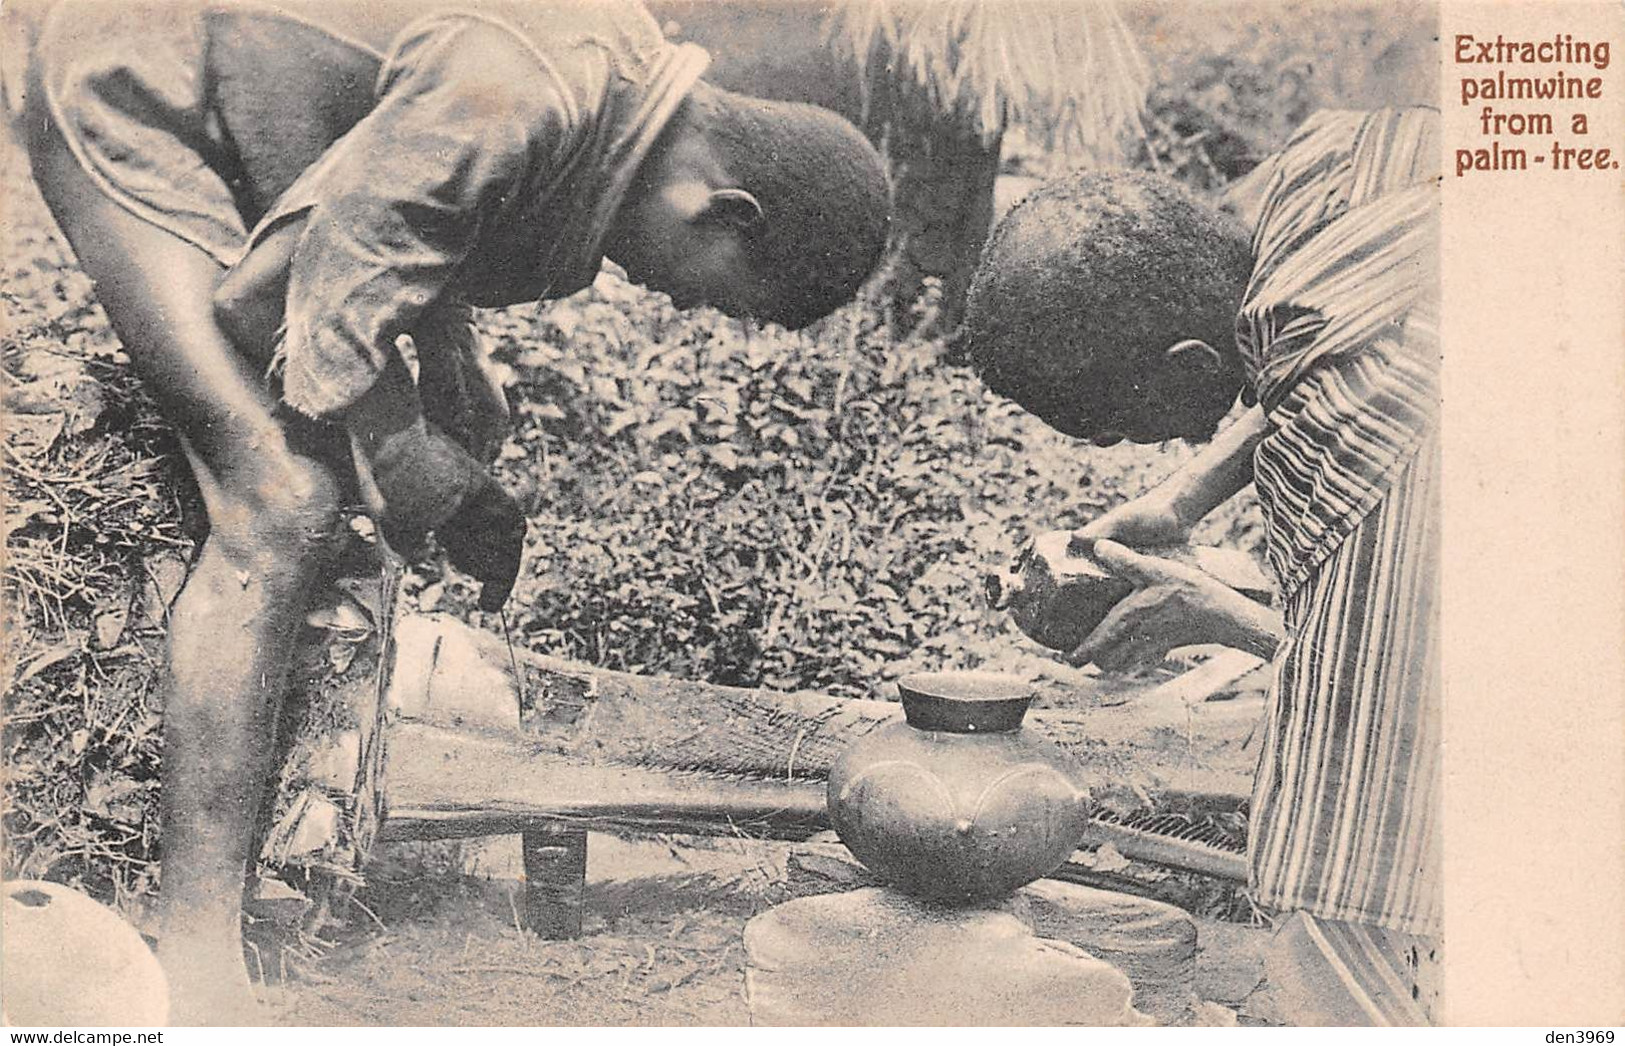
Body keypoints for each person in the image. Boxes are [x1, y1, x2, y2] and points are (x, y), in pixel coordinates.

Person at [14, 0, 889, 1023]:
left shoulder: (601, 88)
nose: (674, 303)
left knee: (379, 447)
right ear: (724, 211)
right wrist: (409, 452)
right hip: (138, 81)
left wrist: (452, 380)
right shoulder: (519, 89)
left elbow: (405, 182)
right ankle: (196, 956)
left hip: (257, 130)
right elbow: (263, 302)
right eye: (705, 296)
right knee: (283, 502)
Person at [965, 107, 1440, 1025]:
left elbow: (1418, 704)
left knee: (1335, 943)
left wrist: (1213, 614)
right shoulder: (1338, 162)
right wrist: (1188, 491)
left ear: (1188, 364)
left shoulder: (1357, 448)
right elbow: (1337, 331)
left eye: (1114, 425)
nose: (1115, 446)